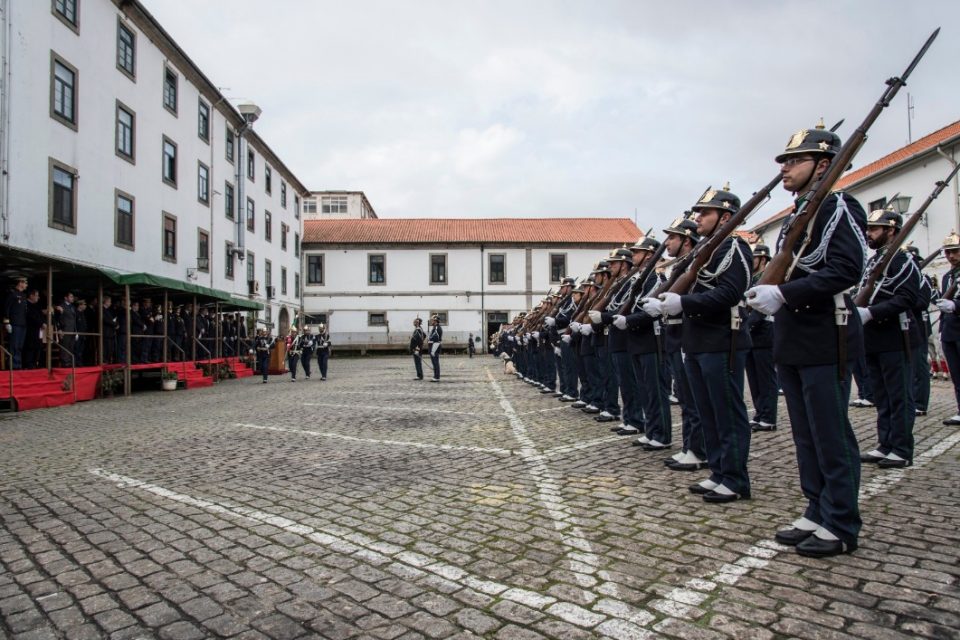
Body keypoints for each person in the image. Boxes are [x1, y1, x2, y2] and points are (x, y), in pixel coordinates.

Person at [747, 123, 866, 558]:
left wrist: (785, 293)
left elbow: (845, 270)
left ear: (823, 166)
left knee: (830, 434)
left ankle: (841, 521)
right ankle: (816, 507)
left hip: (824, 335)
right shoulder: (801, 215)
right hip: (794, 337)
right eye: (785, 161)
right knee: (805, 435)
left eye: (795, 161)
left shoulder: (839, 207)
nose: (786, 169)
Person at [646, 187, 753, 504]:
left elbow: (729, 293)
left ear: (725, 216)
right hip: (697, 341)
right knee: (707, 412)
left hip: (721, 340)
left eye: (704, 213)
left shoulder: (733, 247)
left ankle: (735, 479)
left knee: (727, 413)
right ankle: (719, 472)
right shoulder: (708, 251)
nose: (698, 218)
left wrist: (685, 302)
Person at [857, 208, 921, 469]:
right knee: (882, 396)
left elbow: (906, 298)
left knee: (899, 396)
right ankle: (886, 444)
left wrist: (872, 312)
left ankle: (902, 448)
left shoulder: (903, 260)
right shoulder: (876, 260)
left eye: (874, 229)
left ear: (891, 230)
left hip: (895, 336)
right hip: (874, 338)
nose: (869, 234)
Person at [745, 244, 779, 432]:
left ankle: (768, 416)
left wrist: (746, 326)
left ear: (763, 259)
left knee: (766, 378)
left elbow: (760, 308)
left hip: (764, 331)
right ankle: (759, 413)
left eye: (754, 258)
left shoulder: (769, 278)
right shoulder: (752, 279)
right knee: (754, 378)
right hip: (751, 333)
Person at [937, 232, 960, 425]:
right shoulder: (947, 277)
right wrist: (942, 328)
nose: (951, 256)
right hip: (950, 332)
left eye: (955, 251)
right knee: (956, 375)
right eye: (948, 252)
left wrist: (956, 306)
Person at [3, 275, 28, 369]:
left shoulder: (23, 295)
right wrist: (7, 322)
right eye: (25, 283)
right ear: (20, 283)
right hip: (14, 323)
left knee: (20, 345)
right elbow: (7, 308)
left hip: (22, 323)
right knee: (14, 345)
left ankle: (18, 364)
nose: (26, 285)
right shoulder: (12, 294)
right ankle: (13, 365)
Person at [23, 289, 45, 370]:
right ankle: (28, 364)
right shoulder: (26, 304)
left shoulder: (37, 306)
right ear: (31, 296)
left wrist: (43, 323)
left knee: (38, 346)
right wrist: (40, 323)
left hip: (38, 330)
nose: (38, 298)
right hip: (30, 329)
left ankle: (35, 362)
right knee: (30, 347)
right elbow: (30, 317)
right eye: (36, 295)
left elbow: (41, 316)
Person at [428, 315, 443, 381]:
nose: (432, 321)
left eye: (433, 320)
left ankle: (437, 377)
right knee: (434, 362)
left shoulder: (437, 328)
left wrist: (429, 338)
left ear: (436, 321)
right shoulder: (435, 327)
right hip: (433, 345)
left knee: (435, 362)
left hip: (435, 345)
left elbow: (436, 337)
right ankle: (435, 376)